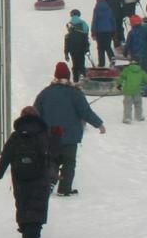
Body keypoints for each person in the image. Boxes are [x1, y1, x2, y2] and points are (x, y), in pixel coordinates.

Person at [0, 105, 58, 238]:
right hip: (40, 177)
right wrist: (54, 176)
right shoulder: (44, 134)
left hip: (20, 178)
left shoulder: (16, 136)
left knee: (23, 205)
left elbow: (5, 157)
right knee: (38, 206)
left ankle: (26, 235)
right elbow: (52, 156)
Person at [34, 63, 106, 196]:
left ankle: (50, 182)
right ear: (69, 76)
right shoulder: (75, 93)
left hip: (50, 135)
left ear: (55, 76)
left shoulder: (45, 93)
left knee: (52, 160)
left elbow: (35, 112)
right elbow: (85, 111)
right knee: (68, 162)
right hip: (70, 136)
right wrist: (99, 125)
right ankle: (64, 188)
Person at [119, 58, 147, 124]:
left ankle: (127, 118)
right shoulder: (141, 71)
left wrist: (118, 85)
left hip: (128, 91)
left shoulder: (126, 70)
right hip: (137, 90)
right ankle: (139, 116)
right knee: (138, 103)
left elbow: (121, 78)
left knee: (127, 104)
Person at [62, 11, 90, 82]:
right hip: (81, 50)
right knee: (81, 63)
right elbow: (86, 41)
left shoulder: (68, 35)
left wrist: (66, 54)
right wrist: (87, 49)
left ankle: (75, 80)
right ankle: (84, 77)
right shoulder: (83, 26)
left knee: (75, 65)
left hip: (73, 50)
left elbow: (67, 45)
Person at [90, 0, 117, 66]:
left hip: (100, 31)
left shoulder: (96, 9)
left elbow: (94, 21)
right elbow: (113, 20)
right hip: (109, 30)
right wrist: (114, 30)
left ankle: (101, 63)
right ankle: (112, 58)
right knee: (108, 46)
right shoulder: (109, 8)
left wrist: (93, 32)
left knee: (100, 48)